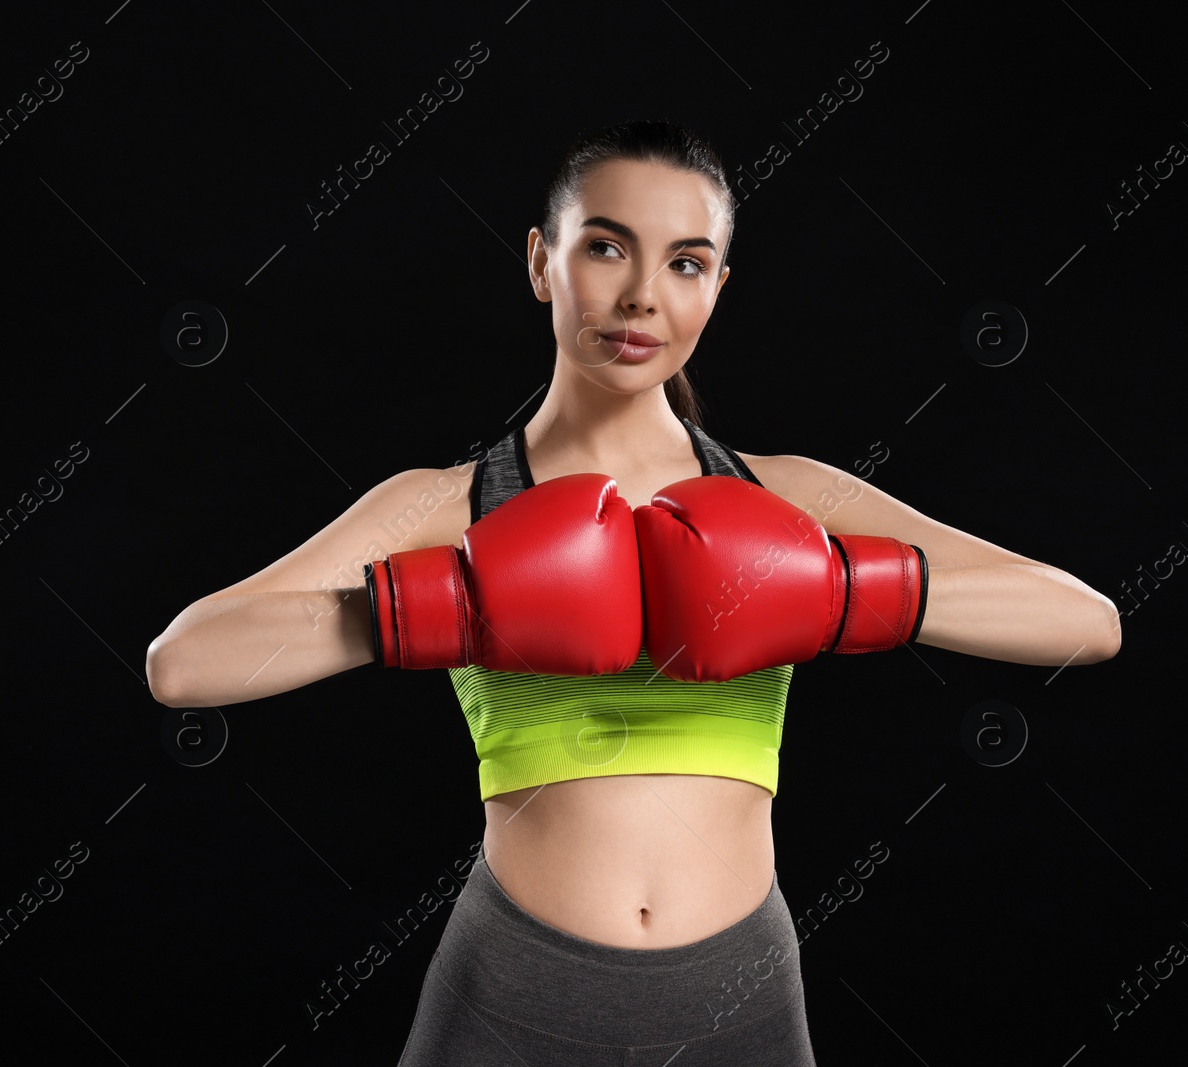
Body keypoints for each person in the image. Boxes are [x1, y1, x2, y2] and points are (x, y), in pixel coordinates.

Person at [145, 120, 1121, 1065]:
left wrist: (843, 592)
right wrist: (443, 604)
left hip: (737, 989)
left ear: (718, 288)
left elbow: (1086, 621)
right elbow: (183, 662)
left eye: (686, 262)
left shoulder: (784, 493)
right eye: (606, 247)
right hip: (509, 988)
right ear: (540, 260)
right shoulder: (445, 505)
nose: (642, 295)